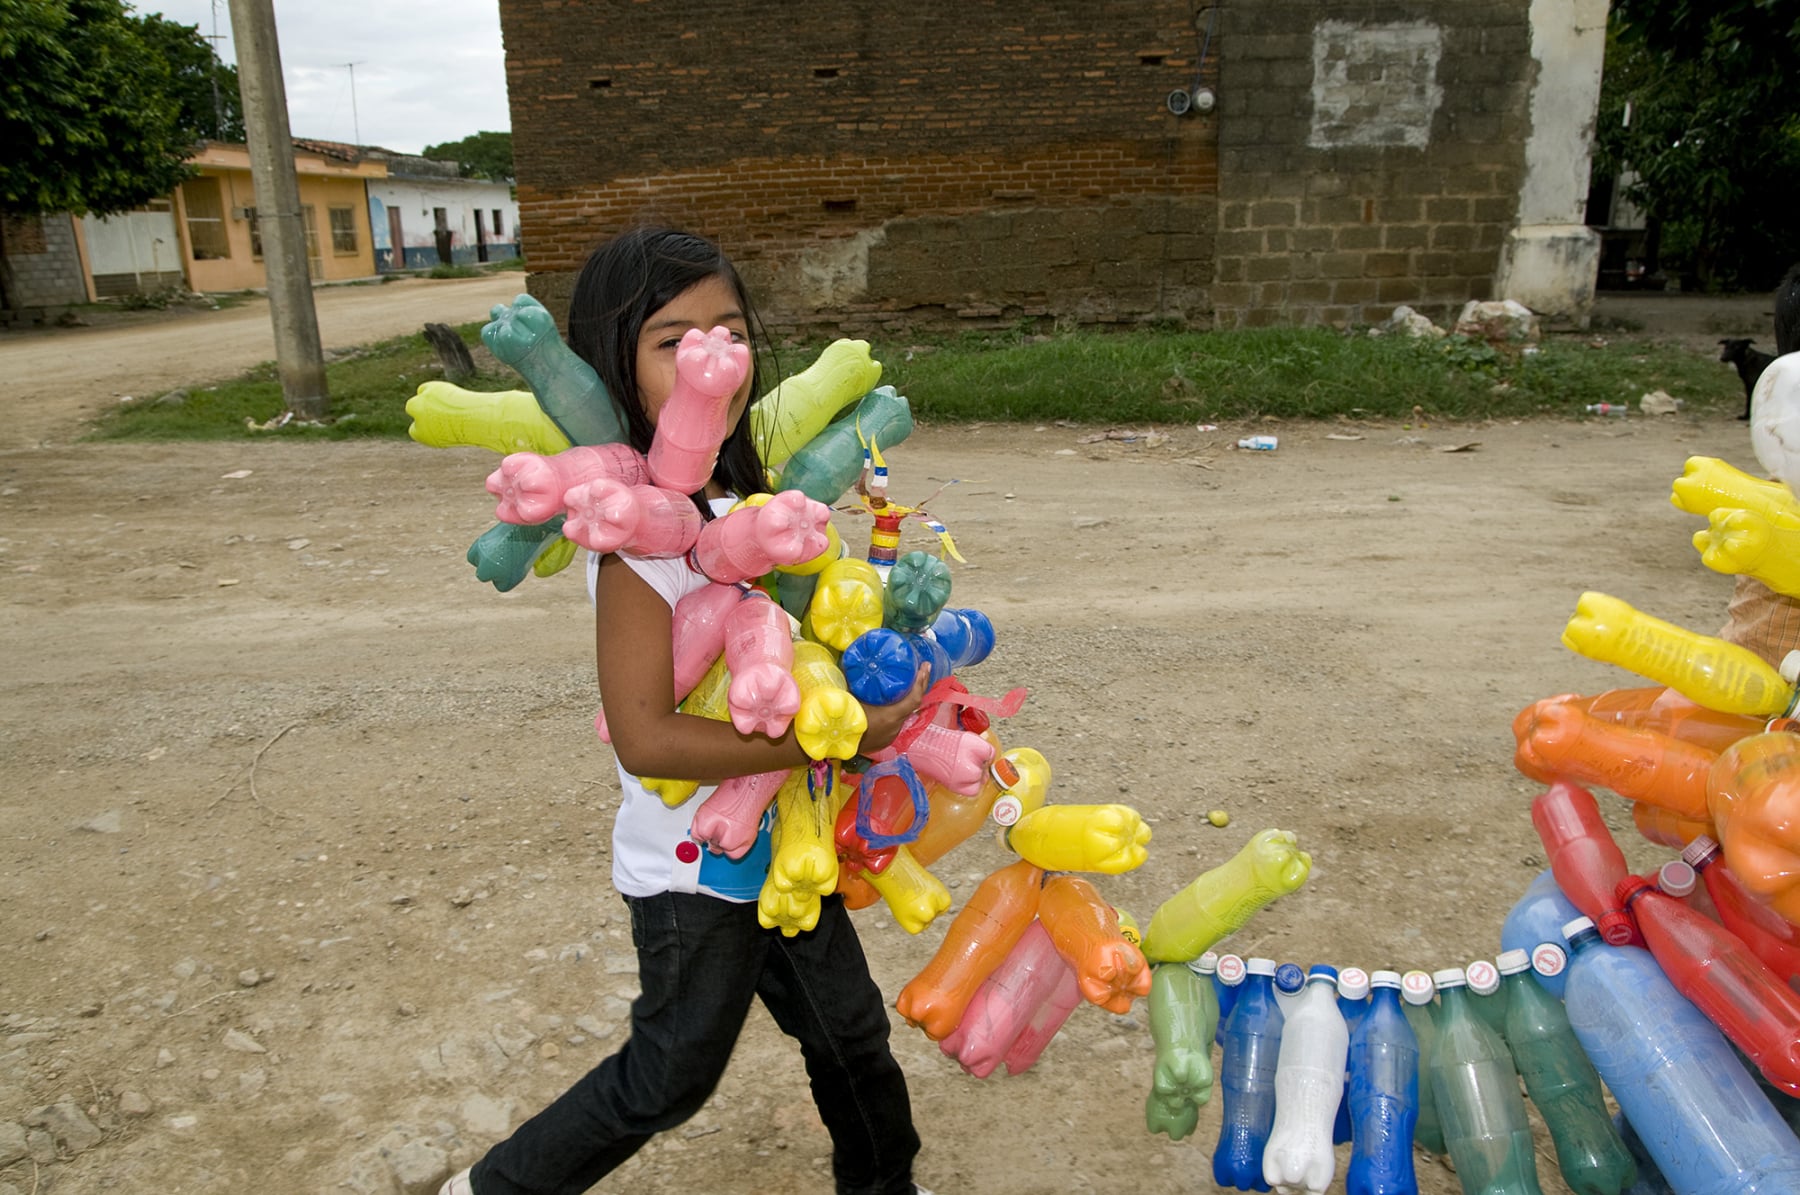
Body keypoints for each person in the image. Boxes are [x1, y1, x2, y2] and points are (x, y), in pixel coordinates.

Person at [444, 227, 929, 1195]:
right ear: (614, 363)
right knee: (668, 1074)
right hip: (693, 870)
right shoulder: (637, 544)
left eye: (729, 330)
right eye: (672, 339)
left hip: (785, 851)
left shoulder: (734, 506)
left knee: (854, 1038)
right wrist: (832, 737)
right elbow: (647, 734)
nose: (714, 356)